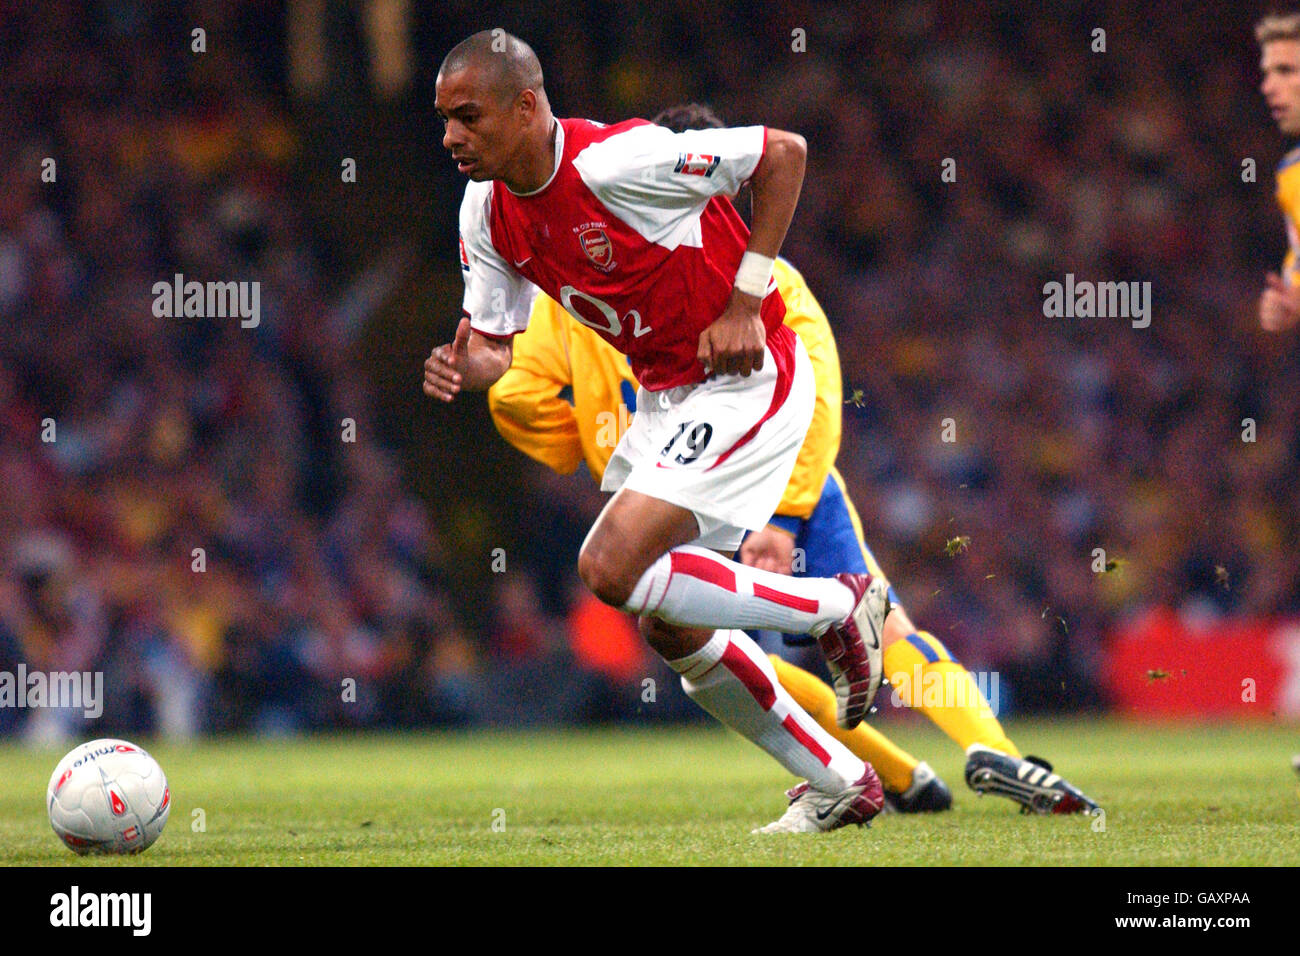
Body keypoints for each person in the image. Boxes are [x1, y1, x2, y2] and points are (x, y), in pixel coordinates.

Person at [489, 101, 1100, 817]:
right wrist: (790, 507)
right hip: (779, 469)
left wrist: (588, 446)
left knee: (730, 648)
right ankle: (979, 750)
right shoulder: (757, 272)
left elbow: (513, 395)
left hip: (684, 488)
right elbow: (818, 378)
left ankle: (895, 776)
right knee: (883, 630)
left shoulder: (568, 287)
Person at [423, 30, 887, 832]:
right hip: (671, 398)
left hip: (752, 380)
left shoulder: (618, 163)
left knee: (608, 568)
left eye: (467, 116)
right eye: (443, 120)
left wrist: (745, 298)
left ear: (526, 106)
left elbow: (785, 154)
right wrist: (472, 366)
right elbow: (499, 345)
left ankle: (835, 607)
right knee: (670, 620)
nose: (450, 137)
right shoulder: (486, 211)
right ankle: (839, 779)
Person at [1258, 11, 1300, 332]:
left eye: (1285, 71)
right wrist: (1286, 305)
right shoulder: (1291, 176)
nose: (1268, 86)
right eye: (1267, 73)